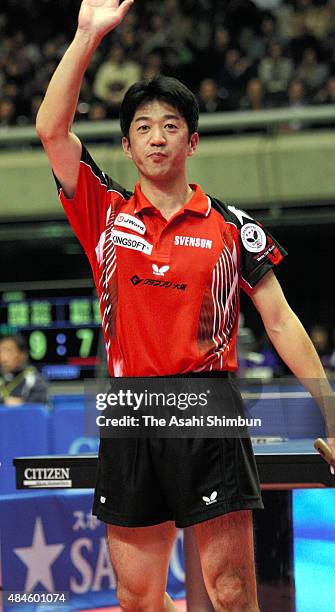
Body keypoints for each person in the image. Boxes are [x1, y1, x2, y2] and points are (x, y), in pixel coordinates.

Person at [36, 1, 335, 610]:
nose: (156, 137)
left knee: (230, 590)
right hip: (130, 409)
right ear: (126, 144)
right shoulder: (104, 213)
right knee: (138, 596)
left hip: (209, 407)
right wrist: (88, 35)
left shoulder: (231, 226)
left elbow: (279, 320)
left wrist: (330, 410)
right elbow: (50, 129)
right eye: (143, 126)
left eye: (171, 125)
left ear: (192, 141)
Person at [0, 333, 48, 406]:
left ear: (22, 355)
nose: (3, 357)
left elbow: (39, 403)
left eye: (9, 351)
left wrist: (21, 404)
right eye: (1, 351)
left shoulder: (36, 380)